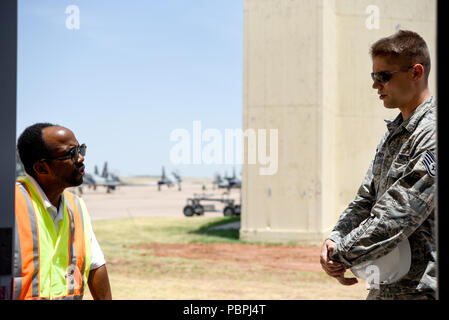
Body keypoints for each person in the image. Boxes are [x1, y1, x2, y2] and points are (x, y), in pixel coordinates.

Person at [320, 30, 436, 300]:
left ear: (416, 72)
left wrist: (342, 254)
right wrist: (336, 237)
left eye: (383, 76)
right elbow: (365, 199)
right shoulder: (394, 133)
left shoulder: (431, 131)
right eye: (373, 76)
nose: (375, 85)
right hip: (385, 289)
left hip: (422, 291)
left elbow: (398, 214)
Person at [14, 123, 112, 300]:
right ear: (41, 168)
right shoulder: (9, 203)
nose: (81, 158)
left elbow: (96, 265)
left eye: (81, 149)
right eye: (71, 153)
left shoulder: (77, 207)